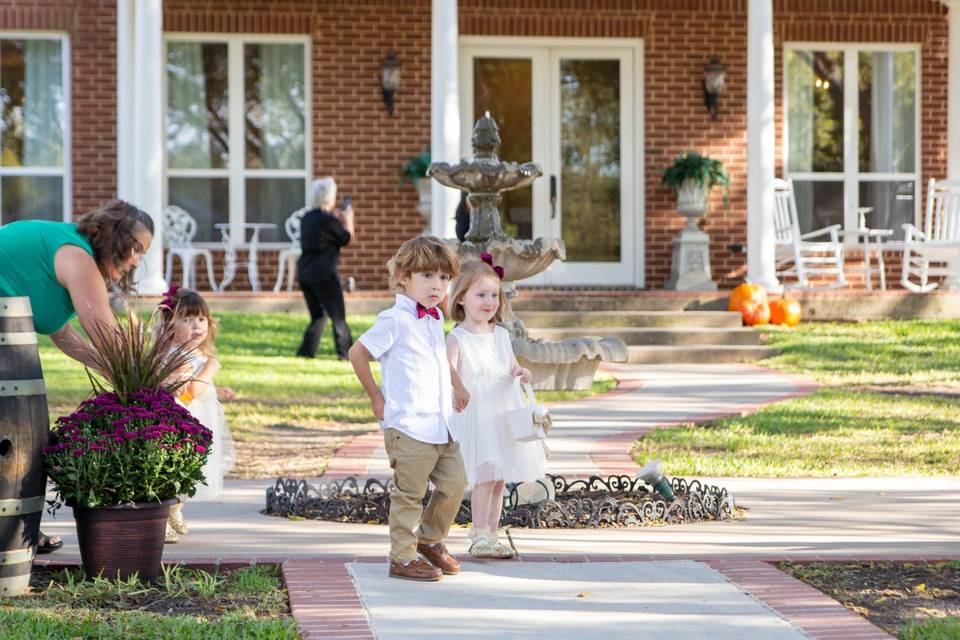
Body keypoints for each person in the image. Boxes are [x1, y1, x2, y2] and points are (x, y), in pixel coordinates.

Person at [0, 200, 154, 554]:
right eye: (138, 250)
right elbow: (104, 332)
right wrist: (143, 385)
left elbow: (66, 338)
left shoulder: (70, 251)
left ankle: (12, 531)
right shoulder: (79, 258)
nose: (136, 262)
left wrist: (118, 377)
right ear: (118, 240)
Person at [348, 235, 470, 582]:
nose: (437, 285)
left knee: (455, 481)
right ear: (403, 276)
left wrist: (457, 385)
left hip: (440, 424)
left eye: (444, 278)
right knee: (410, 495)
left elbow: (438, 359)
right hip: (408, 425)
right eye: (428, 276)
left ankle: (429, 540)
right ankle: (401, 557)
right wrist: (375, 396)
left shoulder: (432, 318)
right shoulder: (395, 320)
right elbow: (358, 353)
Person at [446, 255, 548, 559]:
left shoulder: (501, 336)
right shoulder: (458, 338)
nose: (489, 301)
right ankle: (478, 534)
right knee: (485, 474)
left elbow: (511, 367)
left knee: (500, 477)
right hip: (477, 417)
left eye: (494, 295)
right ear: (462, 298)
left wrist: (521, 373)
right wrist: (458, 388)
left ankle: (493, 532)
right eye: (481, 295)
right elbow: (446, 369)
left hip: (501, 416)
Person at [159, 286, 236, 543]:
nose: (197, 325)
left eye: (201, 319)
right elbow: (193, 389)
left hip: (199, 420)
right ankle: (162, 518)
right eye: (187, 319)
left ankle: (174, 511)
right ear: (170, 325)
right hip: (182, 424)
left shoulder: (194, 354)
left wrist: (216, 390)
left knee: (188, 470)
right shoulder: (176, 358)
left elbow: (202, 390)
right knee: (175, 470)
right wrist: (211, 368)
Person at [296, 177, 355, 360]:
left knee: (318, 316)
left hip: (305, 272)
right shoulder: (329, 221)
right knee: (338, 317)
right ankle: (346, 354)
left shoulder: (307, 218)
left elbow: (322, 230)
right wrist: (348, 220)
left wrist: (334, 219)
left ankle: (305, 353)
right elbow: (346, 238)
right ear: (329, 198)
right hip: (324, 274)